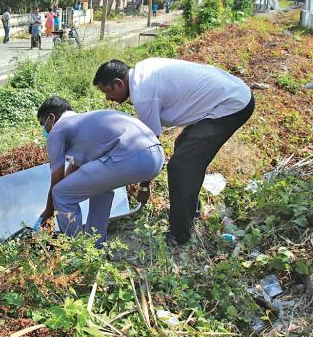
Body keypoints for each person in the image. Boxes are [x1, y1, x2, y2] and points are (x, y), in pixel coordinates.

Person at [93, 58, 256, 247]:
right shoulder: (142, 71)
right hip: (230, 91)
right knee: (183, 146)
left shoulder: (143, 95)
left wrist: (144, 186)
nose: (108, 99)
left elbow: (150, 147)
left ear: (119, 83)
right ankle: (191, 208)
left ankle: (180, 234)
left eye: (108, 92)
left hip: (231, 105)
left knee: (181, 167)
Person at [33, 96, 163, 247]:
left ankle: (76, 250)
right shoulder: (85, 123)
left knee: (61, 194)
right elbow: (74, 170)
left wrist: (48, 211)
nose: (44, 130)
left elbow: (57, 180)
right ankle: (95, 246)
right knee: (100, 191)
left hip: (130, 158)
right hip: (156, 157)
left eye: (43, 124)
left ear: (51, 118)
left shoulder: (57, 130)